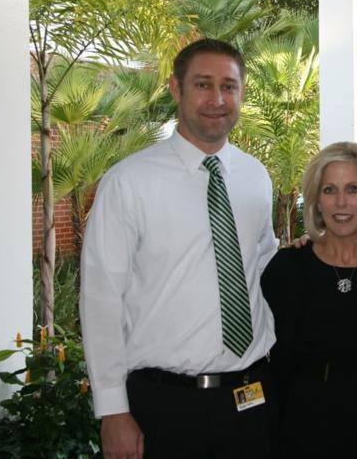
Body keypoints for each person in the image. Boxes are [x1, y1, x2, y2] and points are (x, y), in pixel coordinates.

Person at [80, 38, 279, 459]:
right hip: (164, 405)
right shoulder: (128, 183)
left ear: (242, 92)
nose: (217, 99)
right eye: (203, 85)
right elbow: (101, 300)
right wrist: (113, 410)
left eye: (229, 86)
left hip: (251, 399)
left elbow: (262, 266)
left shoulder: (256, 177)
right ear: (176, 88)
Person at [261, 142, 357, 459]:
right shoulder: (288, 268)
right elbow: (271, 364)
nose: (341, 202)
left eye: (353, 189)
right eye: (329, 190)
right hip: (301, 433)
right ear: (316, 200)